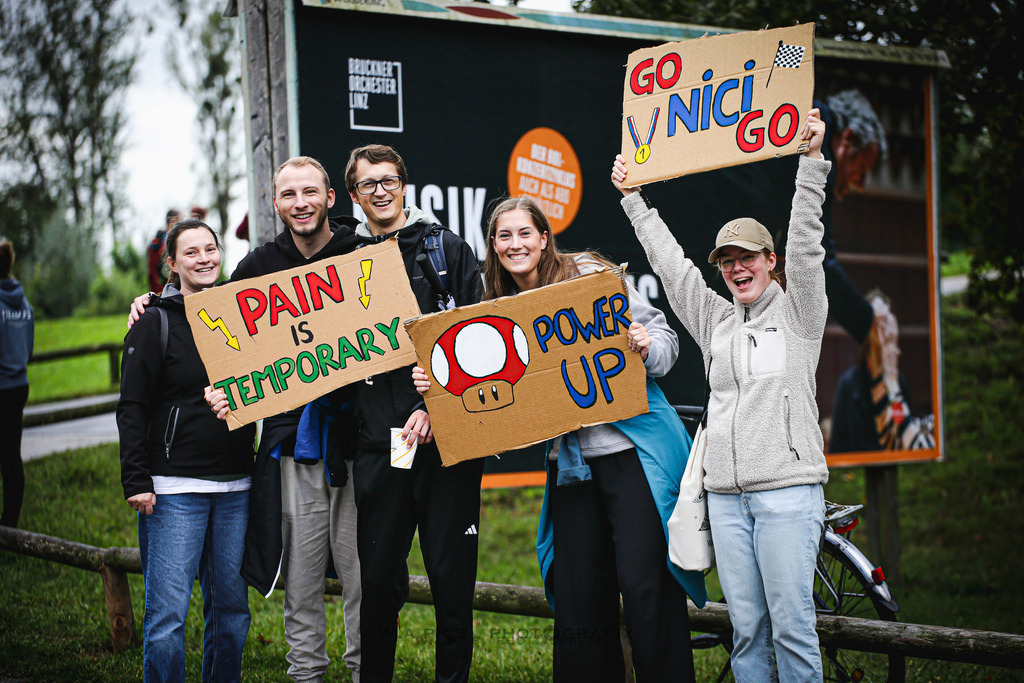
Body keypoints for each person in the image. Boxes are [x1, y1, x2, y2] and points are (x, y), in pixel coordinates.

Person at [413, 196, 707, 682]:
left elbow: (666, 343)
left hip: (633, 455)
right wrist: (436, 388)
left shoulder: (589, 276)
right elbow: (477, 389)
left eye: (525, 233)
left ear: (544, 238)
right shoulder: (494, 310)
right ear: (493, 246)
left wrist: (645, 346)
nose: (515, 244)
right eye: (504, 236)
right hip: (571, 470)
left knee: (647, 589)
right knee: (579, 601)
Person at [611, 109, 830, 682]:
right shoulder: (716, 321)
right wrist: (633, 199)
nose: (737, 268)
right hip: (727, 501)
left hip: (787, 494)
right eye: (728, 261)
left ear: (771, 262)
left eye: (748, 257)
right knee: (748, 633)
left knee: (792, 630)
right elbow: (673, 268)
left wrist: (811, 163)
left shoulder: (801, 312)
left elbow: (806, 243)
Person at [131, 157, 364, 683]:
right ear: (275, 203)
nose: (300, 203)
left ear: (330, 198)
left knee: (361, 579)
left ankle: (364, 672)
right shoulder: (258, 267)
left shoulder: (361, 254)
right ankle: (306, 675)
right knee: (300, 580)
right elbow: (211, 313)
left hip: (359, 442)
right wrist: (151, 303)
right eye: (289, 194)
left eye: (310, 192)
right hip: (291, 445)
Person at [343, 144, 484, 683]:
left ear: (404, 184)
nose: (380, 191)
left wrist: (435, 406)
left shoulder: (447, 248)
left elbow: (480, 342)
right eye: (368, 184)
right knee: (379, 582)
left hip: (447, 440)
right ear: (353, 194)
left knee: (452, 581)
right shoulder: (342, 259)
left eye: (389, 180)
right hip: (385, 445)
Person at [117, 219, 256, 681]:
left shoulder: (241, 314)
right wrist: (136, 479)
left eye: (210, 249)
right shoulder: (153, 322)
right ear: (172, 264)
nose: (204, 259)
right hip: (175, 491)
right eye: (191, 252)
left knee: (232, 612)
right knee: (167, 618)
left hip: (236, 486)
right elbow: (132, 407)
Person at [0, 241, 34, 528]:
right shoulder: (25, 305)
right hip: (19, 385)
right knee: (12, 455)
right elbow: (29, 348)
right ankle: (10, 522)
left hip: (2, 387)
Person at [148, 209, 182, 294]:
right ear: (174, 221)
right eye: (180, 220)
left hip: (159, 287)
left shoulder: (156, 240)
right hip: (170, 287)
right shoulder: (168, 240)